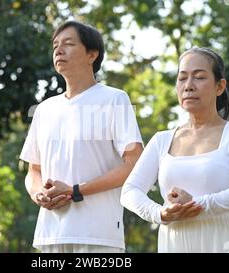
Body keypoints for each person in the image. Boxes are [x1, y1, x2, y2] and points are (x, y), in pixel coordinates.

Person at [120, 47, 229, 253]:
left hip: (226, 243)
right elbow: (129, 191)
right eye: (182, 78)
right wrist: (160, 213)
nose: (189, 86)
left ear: (220, 86)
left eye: (199, 77)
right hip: (175, 243)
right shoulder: (161, 140)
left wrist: (199, 205)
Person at [19, 21, 143, 253]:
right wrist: (38, 194)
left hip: (99, 235)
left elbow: (134, 163)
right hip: (50, 234)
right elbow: (33, 170)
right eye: (55, 45)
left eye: (68, 44)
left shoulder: (114, 99)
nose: (59, 50)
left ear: (92, 54)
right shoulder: (44, 109)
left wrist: (76, 190)